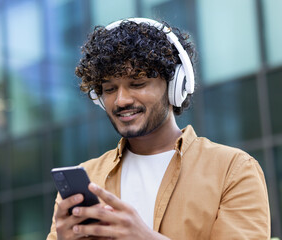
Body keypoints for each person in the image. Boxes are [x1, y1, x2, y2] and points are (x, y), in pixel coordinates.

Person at [47, 17, 270, 240]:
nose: (121, 100)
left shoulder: (233, 170)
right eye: (110, 89)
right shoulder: (87, 178)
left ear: (175, 86)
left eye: (138, 83)